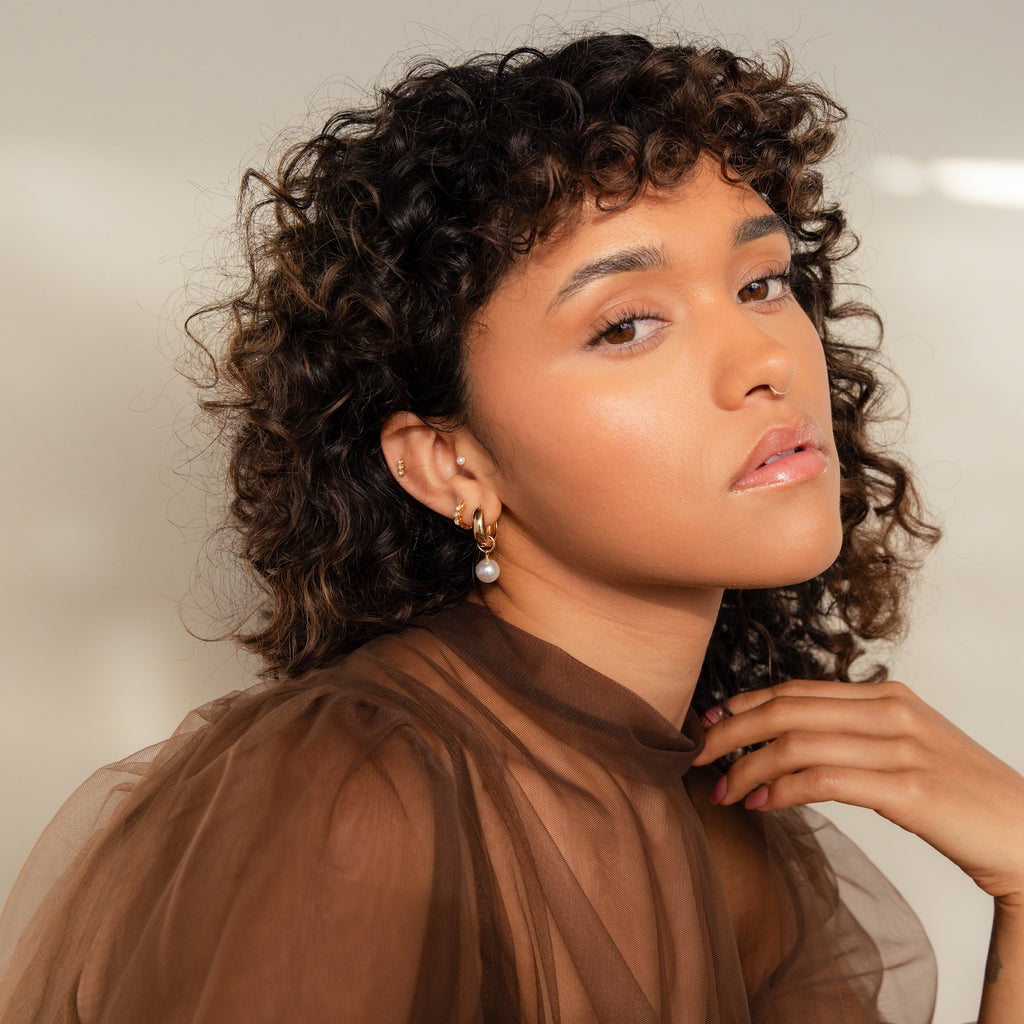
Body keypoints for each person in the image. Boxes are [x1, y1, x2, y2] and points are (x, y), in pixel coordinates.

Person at [0, 30, 1021, 1024]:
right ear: (452, 463)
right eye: (625, 323)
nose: (763, 359)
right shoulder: (362, 791)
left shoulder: (719, 820)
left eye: (760, 283)